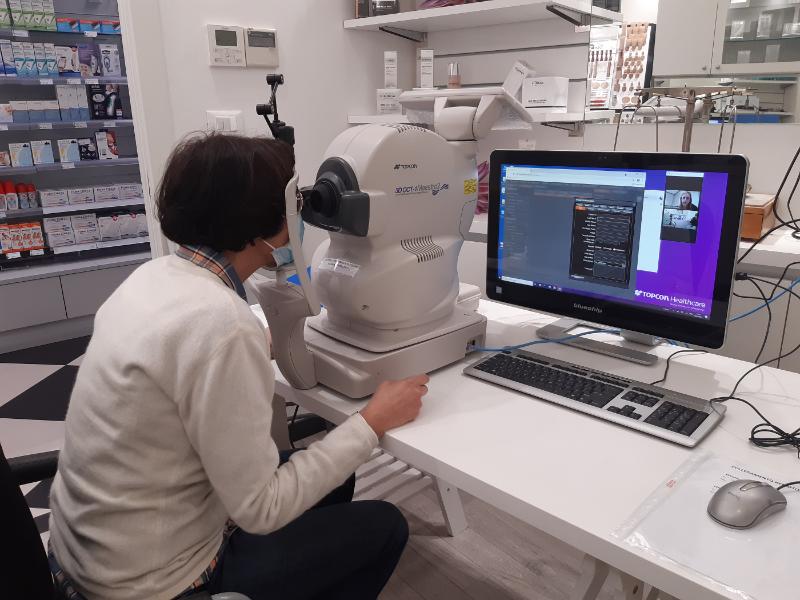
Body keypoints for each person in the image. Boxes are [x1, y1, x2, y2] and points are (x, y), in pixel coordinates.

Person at [48, 133, 429, 600]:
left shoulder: (151, 278)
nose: (299, 215)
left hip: (89, 554)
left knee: (338, 476)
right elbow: (261, 509)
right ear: (258, 225)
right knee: (385, 525)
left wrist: (249, 350)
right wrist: (371, 421)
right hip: (153, 584)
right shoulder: (222, 325)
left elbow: (187, 361)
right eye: (294, 203)